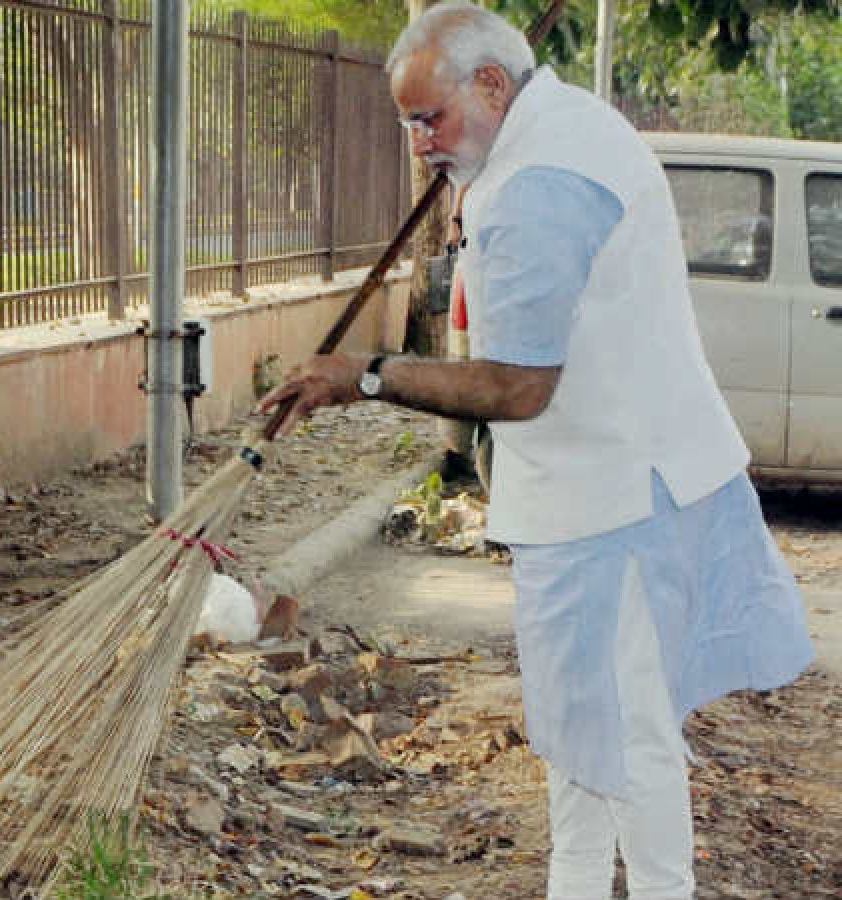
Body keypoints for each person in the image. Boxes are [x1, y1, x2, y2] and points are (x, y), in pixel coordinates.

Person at [258, 4, 815, 899]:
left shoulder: (538, 183)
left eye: (428, 118)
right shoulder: (559, 128)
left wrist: (364, 375)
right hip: (618, 481)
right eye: (406, 123)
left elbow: (518, 388)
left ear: (489, 84)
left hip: (620, 501)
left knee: (627, 733)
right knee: (584, 733)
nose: (418, 144)